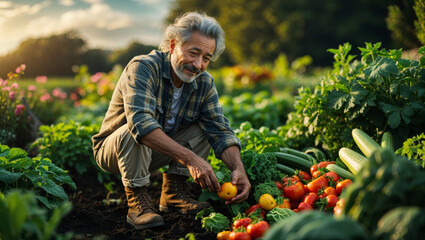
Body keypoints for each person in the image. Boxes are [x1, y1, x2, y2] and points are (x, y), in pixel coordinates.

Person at [92, 11, 251, 230]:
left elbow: (220, 130)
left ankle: (174, 194)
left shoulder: (204, 82)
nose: (198, 64)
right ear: (174, 44)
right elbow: (141, 125)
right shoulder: (144, 67)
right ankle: (137, 202)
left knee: (206, 127)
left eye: (206, 58)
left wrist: (238, 168)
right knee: (134, 129)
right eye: (194, 53)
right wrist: (192, 160)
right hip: (114, 151)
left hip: (154, 152)